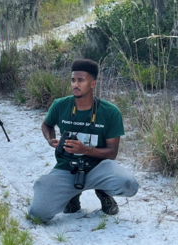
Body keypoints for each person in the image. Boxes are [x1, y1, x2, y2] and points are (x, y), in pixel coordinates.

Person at [28, 59, 138, 223]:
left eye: (81, 80)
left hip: (98, 167)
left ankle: (103, 191)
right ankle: (72, 195)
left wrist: (86, 150)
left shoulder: (110, 112)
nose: (75, 84)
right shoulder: (60, 105)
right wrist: (51, 139)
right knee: (37, 213)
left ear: (93, 84)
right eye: (73, 80)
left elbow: (112, 153)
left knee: (129, 184)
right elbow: (46, 125)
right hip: (67, 168)